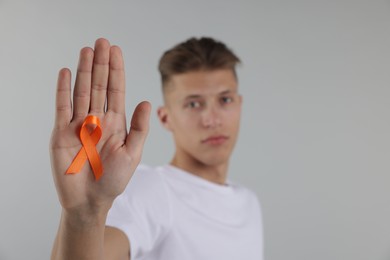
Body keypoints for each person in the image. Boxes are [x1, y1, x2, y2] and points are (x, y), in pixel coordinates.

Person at [50, 37, 263, 260]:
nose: (212, 120)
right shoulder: (152, 191)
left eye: (225, 100)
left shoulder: (249, 202)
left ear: (240, 104)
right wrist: (85, 215)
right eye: (193, 104)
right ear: (165, 118)